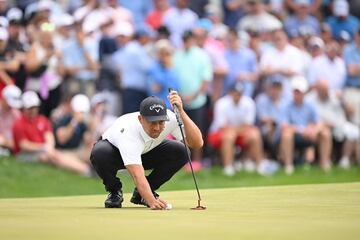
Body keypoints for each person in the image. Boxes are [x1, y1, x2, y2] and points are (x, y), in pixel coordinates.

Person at [90, 92, 203, 209]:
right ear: (140, 119)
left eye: (161, 122)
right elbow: (137, 175)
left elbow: (197, 143)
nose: (157, 128)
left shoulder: (171, 118)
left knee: (181, 151)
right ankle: (115, 192)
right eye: (152, 122)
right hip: (114, 153)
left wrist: (181, 113)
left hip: (146, 151)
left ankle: (140, 195)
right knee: (99, 153)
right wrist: (151, 200)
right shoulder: (129, 131)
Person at [12, 91, 92, 176]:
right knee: (53, 156)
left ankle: (86, 169)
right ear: (24, 108)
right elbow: (24, 145)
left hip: (46, 151)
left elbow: (49, 137)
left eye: (34, 107)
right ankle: (86, 171)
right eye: (30, 108)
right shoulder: (19, 123)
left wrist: (48, 148)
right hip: (25, 154)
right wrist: (43, 147)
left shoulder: (42, 120)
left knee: (54, 155)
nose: (33, 110)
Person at [208, 82, 277, 176]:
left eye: (239, 93)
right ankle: (228, 167)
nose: (237, 95)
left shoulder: (248, 102)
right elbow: (222, 127)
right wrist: (236, 131)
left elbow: (249, 125)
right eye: (235, 92)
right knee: (229, 136)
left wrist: (236, 131)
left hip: (239, 132)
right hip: (219, 133)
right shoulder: (222, 103)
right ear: (230, 93)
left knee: (255, 134)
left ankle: (259, 165)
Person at [280, 76, 332, 175]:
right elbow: (284, 125)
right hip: (294, 135)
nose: (297, 94)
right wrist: (302, 130)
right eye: (295, 91)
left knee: (325, 133)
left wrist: (314, 130)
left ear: (304, 92)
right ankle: (288, 165)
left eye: (299, 91)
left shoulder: (310, 104)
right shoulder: (286, 104)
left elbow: (319, 122)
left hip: (309, 135)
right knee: (286, 134)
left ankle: (324, 163)